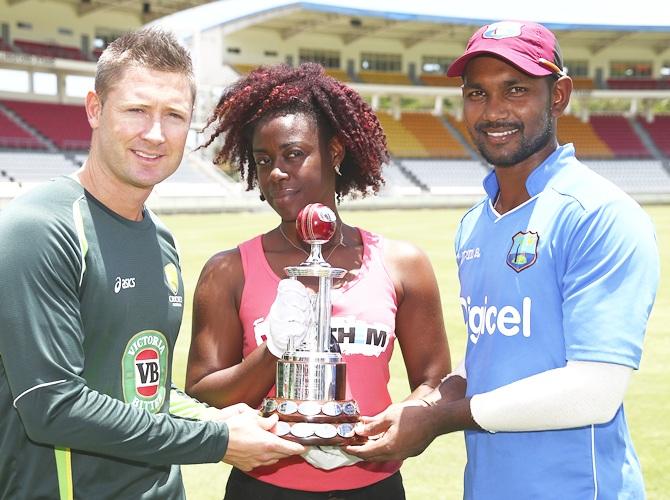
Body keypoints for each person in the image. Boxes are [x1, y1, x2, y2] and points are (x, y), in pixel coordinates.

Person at [346, 20, 660, 499]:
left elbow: (595, 392)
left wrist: (439, 418)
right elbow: (491, 356)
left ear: (559, 95)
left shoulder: (599, 214)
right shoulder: (475, 223)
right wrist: (421, 405)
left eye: (516, 90)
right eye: (477, 94)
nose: (494, 111)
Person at [0, 28, 303, 499]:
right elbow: (52, 407)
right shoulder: (40, 227)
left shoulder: (160, 239)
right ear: (95, 109)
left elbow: (146, 393)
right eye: (137, 110)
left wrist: (216, 416)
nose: (156, 133)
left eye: (174, 115)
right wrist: (218, 439)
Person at [187, 62, 451, 499]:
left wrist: (390, 426)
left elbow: (434, 380)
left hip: (373, 485)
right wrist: (276, 348)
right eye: (263, 160)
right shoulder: (227, 271)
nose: (276, 173)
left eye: (293, 154)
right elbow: (204, 394)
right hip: (265, 487)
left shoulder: (403, 264)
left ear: (334, 152)